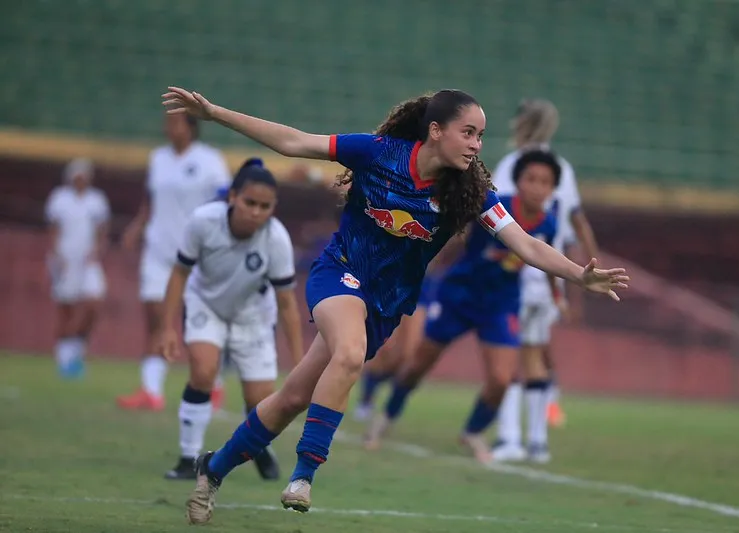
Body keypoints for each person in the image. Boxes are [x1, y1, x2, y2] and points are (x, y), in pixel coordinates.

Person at [160, 85, 627, 524]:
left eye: (481, 136)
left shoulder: (470, 192)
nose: (476, 145)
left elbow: (524, 244)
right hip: (339, 273)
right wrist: (214, 113)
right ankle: (303, 475)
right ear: (436, 130)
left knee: (293, 397)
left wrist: (577, 274)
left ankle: (212, 468)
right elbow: (292, 142)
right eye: (468, 133)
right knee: (346, 354)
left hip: (384, 304)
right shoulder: (377, 153)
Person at [364, 149, 560, 462]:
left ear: (553, 189)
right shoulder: (498, 208)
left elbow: (543, 256)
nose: (537, 187)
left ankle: (472, 432)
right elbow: (457, 235)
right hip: (459, 296)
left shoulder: (548, 223)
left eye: (545, 182)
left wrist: (557, 292)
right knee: (418, 364)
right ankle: (386, 416)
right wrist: (426, 265)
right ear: (518, 181)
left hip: (500, 304)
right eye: (531, 179)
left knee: (502, 379)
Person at [160, 158, 304, 481]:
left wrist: (299, 362)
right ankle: (188, 457)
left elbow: (287, 304)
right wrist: (167, 327)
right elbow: (180, 273)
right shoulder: (202, 222)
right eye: (249, 202)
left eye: (265, 206)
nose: (256, 211)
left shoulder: (277, 240)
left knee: (260, 400)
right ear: (232, 197)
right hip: (205, 304)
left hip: (252, 316)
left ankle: (258, 447)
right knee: (203, 371)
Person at [492, 99, 601, 430]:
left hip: (517, 269)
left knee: (511, 350)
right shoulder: (562, 168)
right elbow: (579, 222)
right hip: (555, 268)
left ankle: (512, 435)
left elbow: (494, 216)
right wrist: (589, 272)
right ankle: (540, 426)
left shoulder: (515, 165)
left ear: (523, 124)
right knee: (536, 347)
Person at [117, 114, 231, 411]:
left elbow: (225, 201)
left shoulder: (210, 160)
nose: (169, 128)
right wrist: (137, 227)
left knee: (199, 321)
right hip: (158, 250)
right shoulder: (158, 159)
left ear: (192, 127)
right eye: (166, 123)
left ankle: (214, 384)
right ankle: (151, 390)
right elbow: (150, 201)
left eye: (176, 123)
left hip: (197, 253)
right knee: (155, 317)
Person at [44, 158, 110, 378]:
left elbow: (102, 231)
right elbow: (53, 230)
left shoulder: (96, 200)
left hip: (88, 261)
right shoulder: (59, 199)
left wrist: (97, 251)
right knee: (67, 309)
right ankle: (66, 360)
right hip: (64, 259)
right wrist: (56, 255)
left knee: (93, 303)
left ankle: (77, 350)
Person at [354, 270, 441, 422]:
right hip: (395, 278)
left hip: (422, 284)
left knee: (409, 354)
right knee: (386, 348)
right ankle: (366, 398)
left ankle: (389, 408)